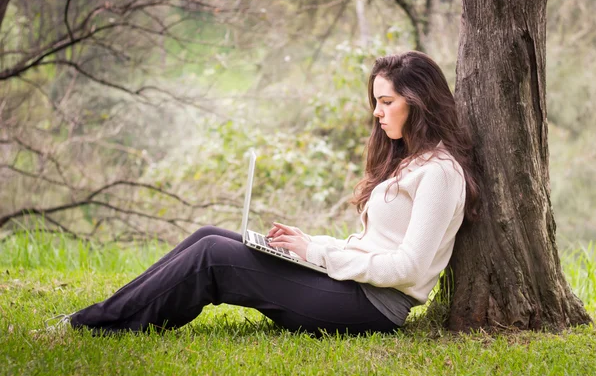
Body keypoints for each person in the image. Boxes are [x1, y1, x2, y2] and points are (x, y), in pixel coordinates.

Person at [53, 51, 480, 335]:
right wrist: (308, 244)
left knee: (213, 259)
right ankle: (106, 311)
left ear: (417, 101)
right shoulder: (409, 161)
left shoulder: (440, 174)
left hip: (371, 307)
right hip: (353, 287)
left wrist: (318, 255)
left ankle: (92, 323)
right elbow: (371, 247)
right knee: (208, 236)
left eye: (386, 102)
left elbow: (408, 267)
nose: (376, 112)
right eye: (376, 101)